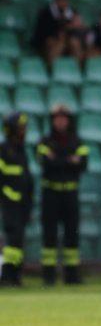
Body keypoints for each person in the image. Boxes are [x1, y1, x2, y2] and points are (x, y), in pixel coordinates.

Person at [36, 104, 88, 285]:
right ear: (52, 120)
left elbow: (82, 164)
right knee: (49, 235)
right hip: (50, 193)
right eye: (57, 118)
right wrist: (69, 160)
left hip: (70, 194)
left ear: (68, 120)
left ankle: (72, 277)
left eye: (63, 118)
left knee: (71, 235)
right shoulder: (44, 141)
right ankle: (48, 277)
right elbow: (46, 164)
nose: (60, 121)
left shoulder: (77, 141)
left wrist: (57, 159)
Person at [0, 112, 32, 287]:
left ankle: (16, 275)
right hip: (10, 204)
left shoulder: (21, 149)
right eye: (21, 128)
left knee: (18, 240)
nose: (24, 131)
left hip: (22, 204)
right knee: (12, 240)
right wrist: (9, 196)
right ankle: (7, 276)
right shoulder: (3, 149)